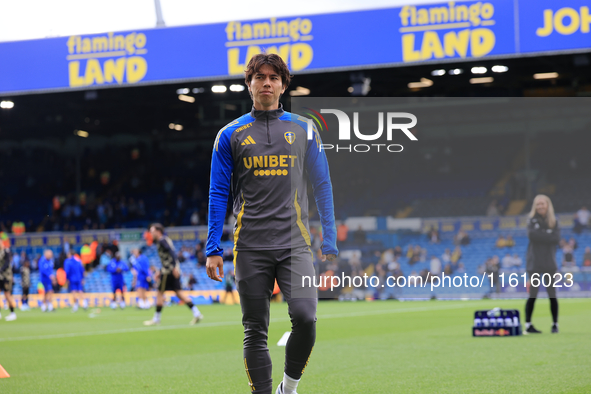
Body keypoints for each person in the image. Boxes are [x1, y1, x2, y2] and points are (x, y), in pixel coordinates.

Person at [205, 53, 338, 394]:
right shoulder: (229, 135)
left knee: (306, 318)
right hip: (249, 246)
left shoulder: (304, 129)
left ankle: (288, 387)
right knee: (255, 329)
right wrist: (213, 247)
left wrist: (330, 237)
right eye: (259, 77)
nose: (266, 82)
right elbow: (218, 192)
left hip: (295, 244)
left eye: (273, 77)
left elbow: (322, 184)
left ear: (283, 85)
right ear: (248, 84)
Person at [143, 223, 203, 325]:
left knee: (159, 293)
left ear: (158, 231)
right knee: (179, 293)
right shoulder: (164, 239)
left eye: (152, 231)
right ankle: (197, 313)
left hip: (168, 271)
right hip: (169, 269)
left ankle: (157, 318)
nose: (151, 233)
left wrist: (174, 267)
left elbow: (171, 252)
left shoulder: (162, 241)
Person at [525, 195, 560, 334]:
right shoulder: (531, 220)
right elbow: (532, 236)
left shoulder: (554, 221)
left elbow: (556, 238)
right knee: (533, 294)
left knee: (552, 294)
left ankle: (555, 324)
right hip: (534, 263)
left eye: (542, 204)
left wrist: (542, 234)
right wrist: (548, 234)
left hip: (549, 263)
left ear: (547, 205)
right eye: (537, 204)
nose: (540, 206)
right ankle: (528, 325)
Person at [0, 242, 17, 321]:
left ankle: (12, 313)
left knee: (7, 294)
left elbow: (7, 263)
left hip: (6, 276)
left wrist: (1, 270)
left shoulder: (6, 251)